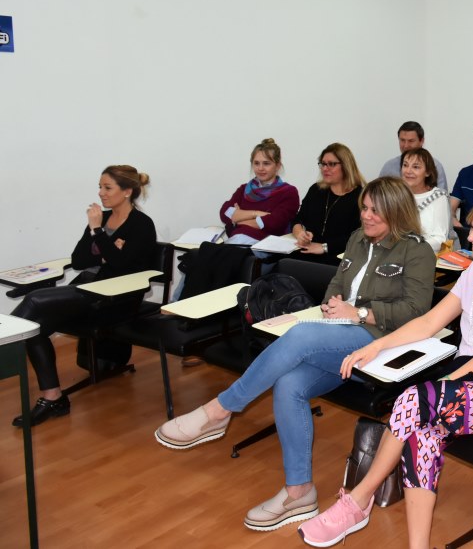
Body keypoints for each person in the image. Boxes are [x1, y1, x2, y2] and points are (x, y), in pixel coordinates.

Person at [155, 177, 435, 532]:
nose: (365, 215)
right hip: (339, 338)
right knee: (288, 383)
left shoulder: (416, 250)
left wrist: (360, 313)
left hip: (379, 344)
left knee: (300, 335)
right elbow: (337, 283)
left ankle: (220, 409)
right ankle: (299, 491)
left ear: (396, 212)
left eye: (374, 210)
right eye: (364, 207)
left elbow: (416, 310)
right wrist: (333, 304)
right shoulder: (357, 239)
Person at [295, 194, 473, 548]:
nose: (469, 237)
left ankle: (357, 501)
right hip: (471, 382)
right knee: (422, 438)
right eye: (471, 228)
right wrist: (376, 345)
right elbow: (429, 321)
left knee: (414, 399)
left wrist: (440, 386)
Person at [12, 166, 156, 427]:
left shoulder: (141, 225)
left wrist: (98, 234)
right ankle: (53, 397)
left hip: (114, 299)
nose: (101, 193)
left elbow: (122, 267)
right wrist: (107, 249)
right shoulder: (103, 218)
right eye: (100, 187)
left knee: (34, 300)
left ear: (127, 192)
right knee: (35, 329)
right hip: (88, 289)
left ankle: (5, 350)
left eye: (107, 188)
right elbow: (79, 260)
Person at [291, 143, 365, 265]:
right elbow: (298, 218)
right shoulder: (316, 190)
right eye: (323, 164)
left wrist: (325, 247)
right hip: (308, 250)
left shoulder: (360, 197)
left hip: (339, 257)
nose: (325, 168)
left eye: (331, 164)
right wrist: (300, 233)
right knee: (283, 265)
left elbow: (359, 236)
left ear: (346, 166)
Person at [220, 138, 300, 246]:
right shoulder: (244, 189)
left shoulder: (289, 192)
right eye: (256, 163)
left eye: (266, 163)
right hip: (236, 243)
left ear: (277, 166)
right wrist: (256, 214)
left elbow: (274, 223)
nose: (260, 168)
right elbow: (225, 213)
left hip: (264, 249)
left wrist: (238, 219)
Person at [400, 147, 450, 253]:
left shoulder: (438, 197)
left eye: (416, 167)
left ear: (427, 172)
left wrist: (411, 248)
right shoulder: (397, 194)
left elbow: (439, 239)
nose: (408, 171)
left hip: (424, 257)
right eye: (405, 165)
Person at [378, 121, 448, 191]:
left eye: (411, 141)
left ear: (422, 141)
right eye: (402, 140)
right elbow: (378, 194)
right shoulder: (389, 166)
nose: (406, 145)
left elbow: (442, 195)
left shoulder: (435, 165)